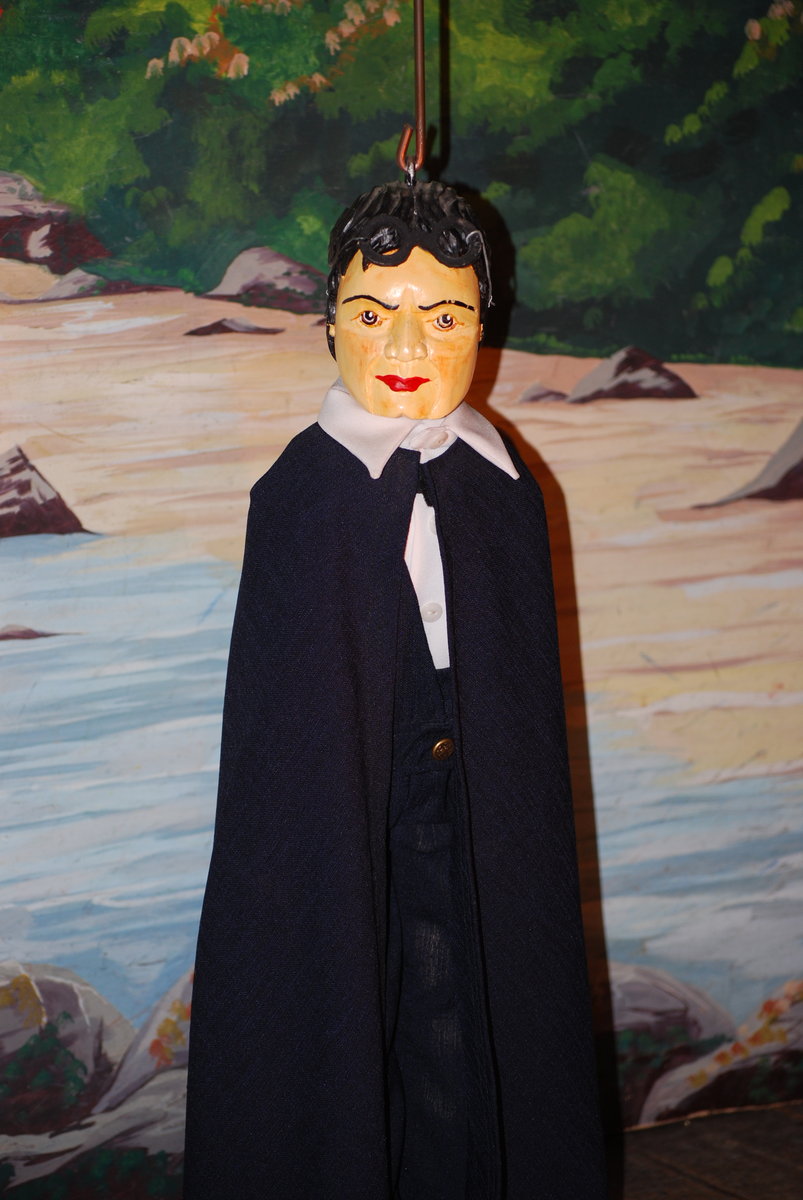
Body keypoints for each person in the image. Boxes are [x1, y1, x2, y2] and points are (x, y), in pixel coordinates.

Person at [184, 180, 607, 1199]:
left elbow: (513, 684)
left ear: (482, 328)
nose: (408, 344)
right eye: (374, 315)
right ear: (329, 323)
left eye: (444, 316)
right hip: (343, 798)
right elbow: (290, 720)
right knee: (340, 992)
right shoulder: (304, 494)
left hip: (473, 792)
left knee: (472, 1001)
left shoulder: (502, 481)